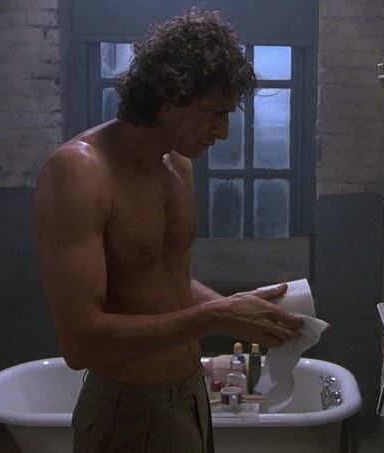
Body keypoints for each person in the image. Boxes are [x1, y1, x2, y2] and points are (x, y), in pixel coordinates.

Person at [34, 9, 304, 453]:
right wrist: (216, 318)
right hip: (127, 410)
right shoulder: (79, 173)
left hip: (190, 396)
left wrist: (236, 309)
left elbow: (163, 279)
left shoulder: (177, 164)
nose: (223, 132)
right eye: (214, 112)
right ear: (169, 95)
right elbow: (79, 343)